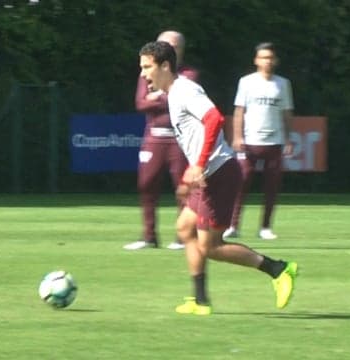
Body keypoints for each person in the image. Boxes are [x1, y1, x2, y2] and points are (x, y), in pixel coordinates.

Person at [138, 40, 298, 315]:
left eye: (147, 67)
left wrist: (198, 165)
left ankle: (279, 269)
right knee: (185, 229)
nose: (143, 74)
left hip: (220, 173)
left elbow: (214, 119)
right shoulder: (173, 93)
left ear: (165, 66)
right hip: (207, 176)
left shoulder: (185, 90)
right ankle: (200, 301)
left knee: (211, 246)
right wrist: (192, 175)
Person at [124, 30, 198, 251]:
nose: (170, 49)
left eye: (175, 46)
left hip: (179, 139)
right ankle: (149, 237)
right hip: (154, 137)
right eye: (165, 45)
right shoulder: (146, 74)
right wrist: (162, 97)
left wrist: (157, 96)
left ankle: (183, 237)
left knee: (183, 188)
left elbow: (178, 99)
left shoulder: (188, 75)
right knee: (146, 185)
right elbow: (140, 104)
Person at [223, 42, 294, 241]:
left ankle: (265, 227)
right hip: (250, 141)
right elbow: (239, 111)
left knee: (272, 185)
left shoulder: (283, 84)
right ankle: (232, 225)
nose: (267, 61)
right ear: (256, 60)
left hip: (275, 142)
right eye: (263, 57)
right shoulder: (246, 82)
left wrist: (288, 138)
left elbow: (287, 113)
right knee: (241, 181)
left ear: (276, 61)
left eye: (270, 57)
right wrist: (237, 137)